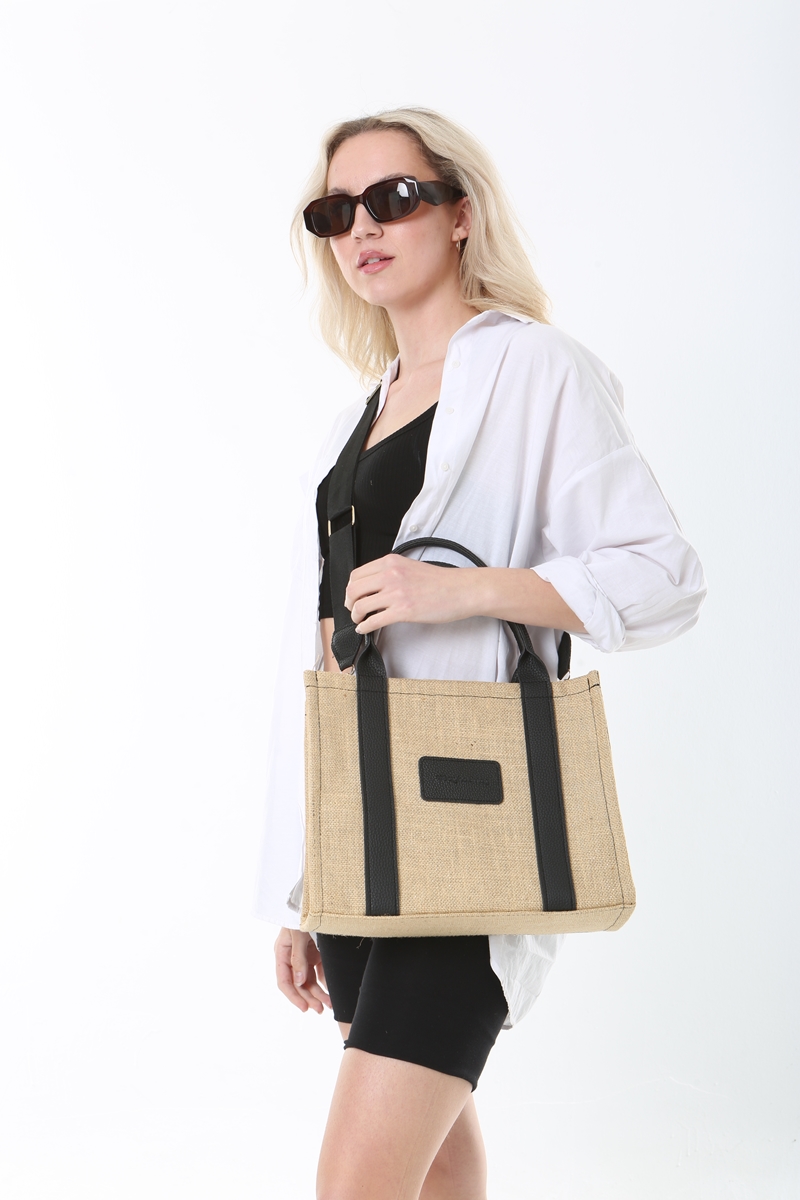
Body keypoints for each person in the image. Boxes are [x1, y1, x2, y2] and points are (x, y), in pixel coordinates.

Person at [255, 107, 706, 1200]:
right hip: (363, 841)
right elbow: (324, 658)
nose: (362, 228)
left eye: (392, 198)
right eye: (335, 212)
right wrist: (301, 883)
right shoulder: (353, 423)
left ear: (460, 213)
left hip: (467, 831)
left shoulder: (537, 370)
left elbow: (662, 575)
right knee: (433, 1169)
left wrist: (455, 590)